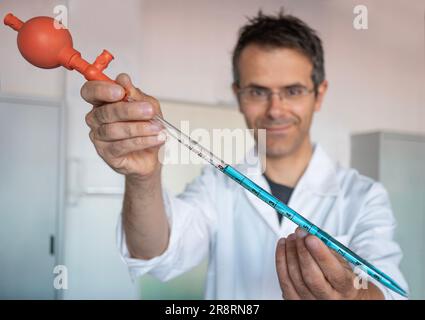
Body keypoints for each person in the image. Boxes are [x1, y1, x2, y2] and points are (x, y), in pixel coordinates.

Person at [81, 10, 408, 299]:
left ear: (318, 95)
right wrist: (143, 176)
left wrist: (355, 297)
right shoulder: (215, 186)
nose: (275, 110)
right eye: (257, 92)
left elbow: (392, 291)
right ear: (238, 95)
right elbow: (157, 253)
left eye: (292, 91)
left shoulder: (364, 196)